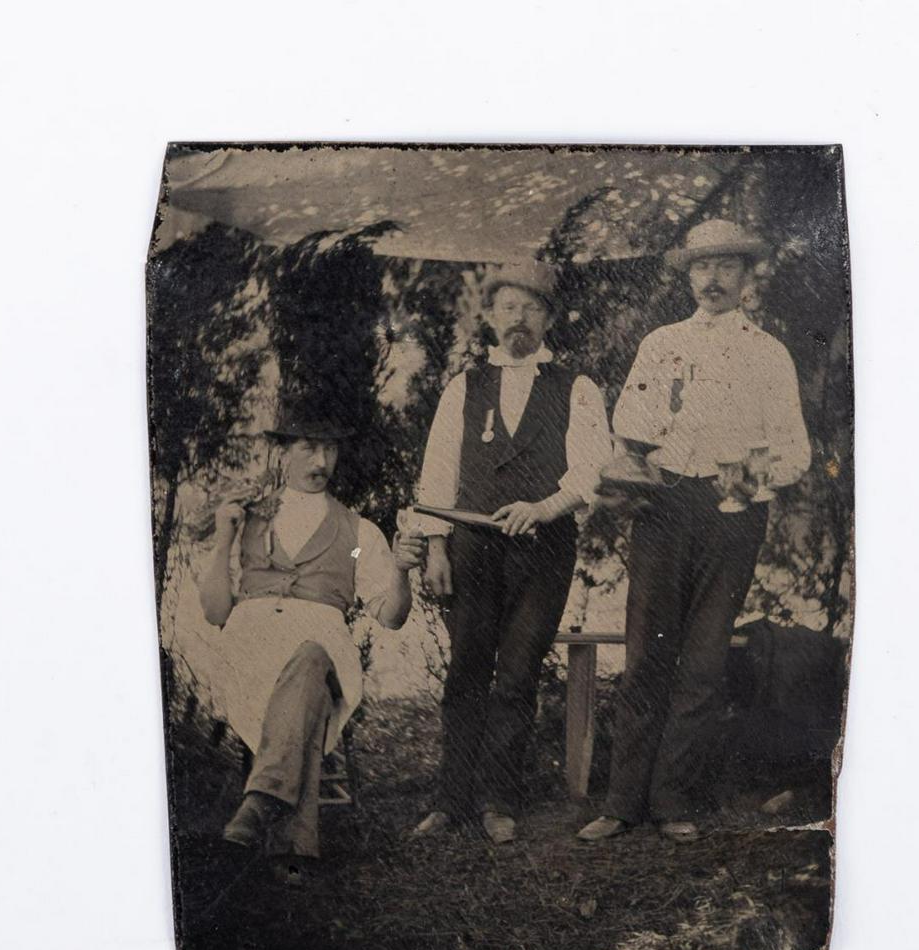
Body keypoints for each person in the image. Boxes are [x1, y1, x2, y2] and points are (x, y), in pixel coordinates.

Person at [578, 219, 812, 843]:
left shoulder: (769, 354)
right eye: (702, 267)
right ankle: (623, 802)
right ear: (688, 276)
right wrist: (641, 461)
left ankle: (672, 799)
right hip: (663, 506)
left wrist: (741, 481)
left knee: (703, 661)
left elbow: (795, 450)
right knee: (645, 654)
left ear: (746, 276)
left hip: (733, 512)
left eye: (726, 266)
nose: (713, 279)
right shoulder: (662, 345)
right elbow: (630, 423)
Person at [415, 261, 612, 843]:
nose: (518, 318)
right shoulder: (465, 386)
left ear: (547, 318)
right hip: (472, 549)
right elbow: (438, 472)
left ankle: (500, 802)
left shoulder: (577, 388)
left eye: (530, 308)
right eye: (508, 307)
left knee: (518, 673)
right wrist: (436, 546)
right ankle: (450, 801)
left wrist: (544, 508)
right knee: (466, 669)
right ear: (490, 317)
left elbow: (592, 470)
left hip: (544, 551)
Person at [198, 407, 426, 860]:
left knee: (311, 658)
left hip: (320, 649)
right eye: (308, 448)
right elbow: (215, 611)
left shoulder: (357, 533)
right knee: (306, 694)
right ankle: (295, 854)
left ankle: (260, 803)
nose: (321, 462)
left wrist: (400, 571)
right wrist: (224, 538)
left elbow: (391, 616)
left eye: (330, 449)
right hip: (251, 650)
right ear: (283, 453)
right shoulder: (249, 519)